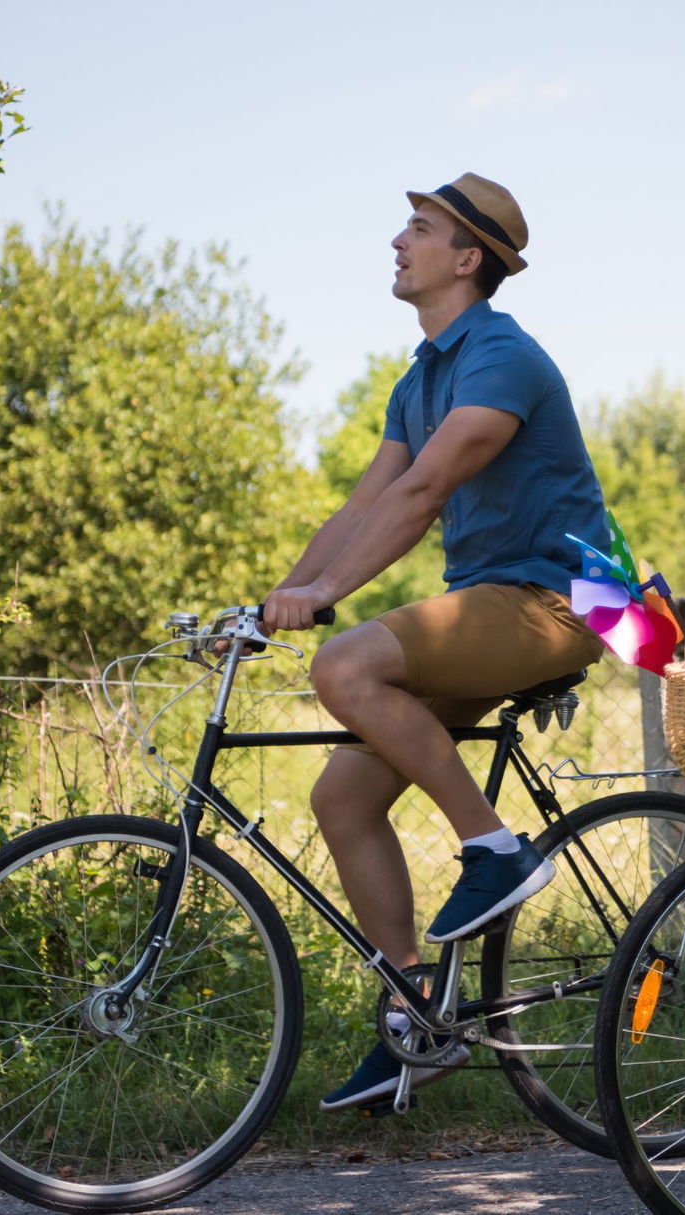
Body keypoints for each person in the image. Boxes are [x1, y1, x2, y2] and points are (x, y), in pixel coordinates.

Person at [259, 172, 608, 1111]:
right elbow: (366, 500)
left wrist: (328, 599)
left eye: (417, 228)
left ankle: (496, 849)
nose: (396, 241)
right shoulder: (421, 377)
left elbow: (421, 498)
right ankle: (418, 1016)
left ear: (467, 258)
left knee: (347, 662)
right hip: (493, 602)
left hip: (563, 601)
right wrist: (276, 598)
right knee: (342, 796)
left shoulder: (502, 356)